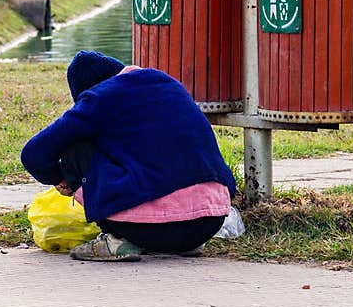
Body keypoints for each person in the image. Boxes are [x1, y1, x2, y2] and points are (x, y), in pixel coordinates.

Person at [21, 50, 236, 262]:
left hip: (146, 231)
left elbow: (33, 154)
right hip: (209, 222)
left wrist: (59, 177)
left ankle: (117, 241)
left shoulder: (98, 98)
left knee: (75, 150)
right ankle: (185, 243)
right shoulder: (167, 84)